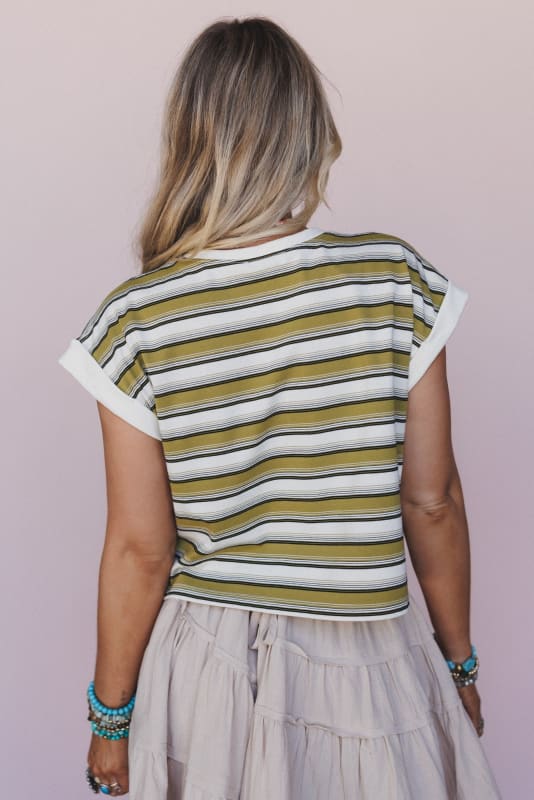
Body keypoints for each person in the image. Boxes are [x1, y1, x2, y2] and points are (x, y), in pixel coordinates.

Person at [57, 15, 503, 799]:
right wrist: (459, 664)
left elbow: (140, 549)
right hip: (372, 661)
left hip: (209, 674)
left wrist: (110, 720)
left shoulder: (136, 320)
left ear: (189, 138)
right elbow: (432, 502)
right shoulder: (393, 282)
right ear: (307, 131)